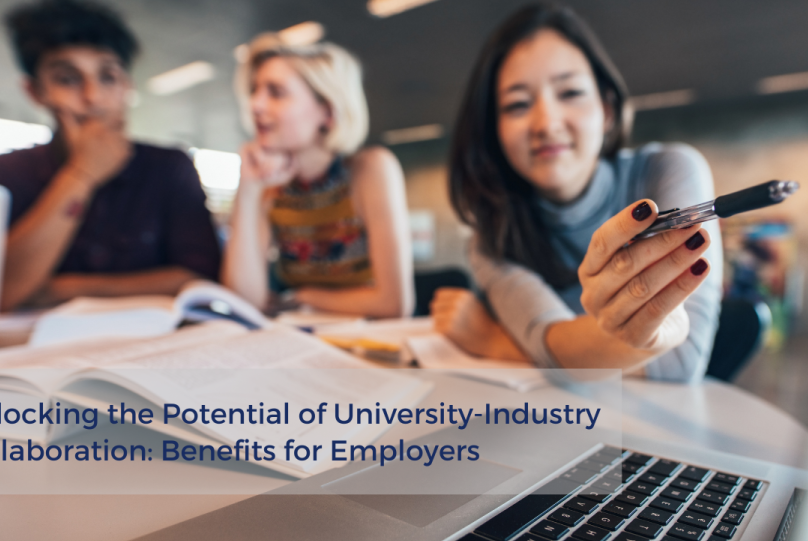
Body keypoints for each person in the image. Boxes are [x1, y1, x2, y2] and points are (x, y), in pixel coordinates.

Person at [431, 3, 723, 383]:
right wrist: (557, 348)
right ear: (494, 131)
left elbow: (678, 363)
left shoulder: (667, 171)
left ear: (607, 110)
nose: (546, 123)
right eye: (517, 104)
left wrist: (495, 341)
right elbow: (551, 338)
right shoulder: (494, 234)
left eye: (569, 92)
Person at [0, 0, 222, 312]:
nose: (92, 97)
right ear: (36, 92)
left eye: (107, 76)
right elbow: (0, 291)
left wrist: (60, 289)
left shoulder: (169, 168)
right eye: (68, 79)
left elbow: (200, 279)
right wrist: (81, 174)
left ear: (126, 86)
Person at [221, 34, 413, 318]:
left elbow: (393, 305)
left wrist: (301, 297)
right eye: (255, 90)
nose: (255, 105)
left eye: (275, 92)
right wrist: (248, 190)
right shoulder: (268, 184)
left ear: (327, 111)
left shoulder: (369, 170)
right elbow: (244, 302)